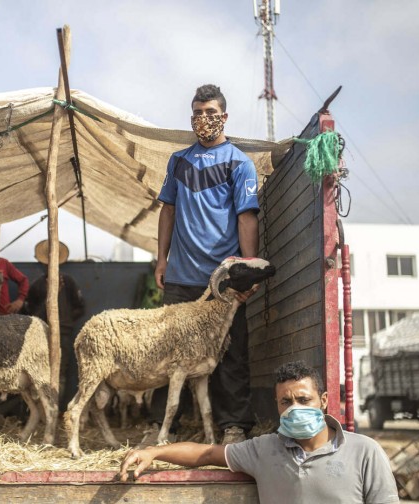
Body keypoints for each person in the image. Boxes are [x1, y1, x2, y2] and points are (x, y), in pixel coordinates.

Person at [120, 361, 400, 504]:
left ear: (324, 400)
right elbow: (206, 452)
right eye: (286, 402)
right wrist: (153, 452)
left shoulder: (364, 451)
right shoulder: (263, 449)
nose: (295, 408)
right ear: (276, 405)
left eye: (304, 400)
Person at [149, 84, 260, 444]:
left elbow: (247, 218)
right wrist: (161, 259)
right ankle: (161, 426)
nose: (203, 119)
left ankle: (234, 426)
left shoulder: (240, 162)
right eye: (197, 112)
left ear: (224, 117)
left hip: (222, 280)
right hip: (181, 276)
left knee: (230, 352)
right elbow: (168, 209)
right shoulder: (179, 160)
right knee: (170, 352)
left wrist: (248, 269)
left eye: (211, 113)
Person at [24, 240, 85, 412]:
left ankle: (54, 411)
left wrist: (65, 322)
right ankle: (40, 413)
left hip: (63, 335)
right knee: (38, 373)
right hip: (41, 336)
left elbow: (80, 307)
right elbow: (30, 314)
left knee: (61, 375)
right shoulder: (37, 286)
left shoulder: (69, 282)